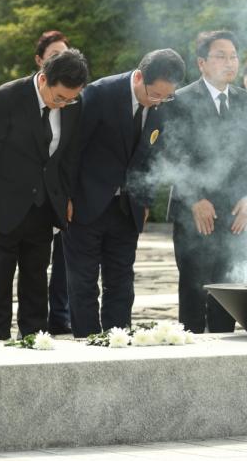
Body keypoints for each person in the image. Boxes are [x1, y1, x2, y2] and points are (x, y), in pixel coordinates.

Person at [63, 49, 185, 338]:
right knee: (83, 282)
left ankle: (118, 339)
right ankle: (87, 341)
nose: (158, 102)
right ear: (140, 76)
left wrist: (144, 200)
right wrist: (65, 197)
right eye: (154, 94)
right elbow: (72, 150)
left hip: (127, 207)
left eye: (165, 97)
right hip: (86, 203)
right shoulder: (99, 94)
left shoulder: (166, 103)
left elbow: (153, 157)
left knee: (121, 281)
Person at [0, 49, 89, 341]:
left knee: (36, 280)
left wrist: (64, 200)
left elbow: (67, 158)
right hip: (2, 207)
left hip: (43, 207)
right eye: (59, 97)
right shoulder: (5, 98)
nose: (64, 104)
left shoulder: (75, 104)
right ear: (44, 78)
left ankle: (34, 340)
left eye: (70, 99)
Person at [164, 31, 247, 334]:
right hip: (195, 213)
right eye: (221, 56)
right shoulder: (178, 100)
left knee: (229, 292)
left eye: (233, 56)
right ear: (202, 63)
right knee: (194, 290)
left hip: (236, 214)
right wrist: (194, 198)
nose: (229, 62)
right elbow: (171, 156)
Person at [35, 31, 73, 335]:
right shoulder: (25, 96)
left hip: (61, 195)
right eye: (53, 56)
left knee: (63, 261)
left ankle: (60, 315)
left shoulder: (75, 101)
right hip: (29, 196)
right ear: (40, 62)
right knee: (33, 265)